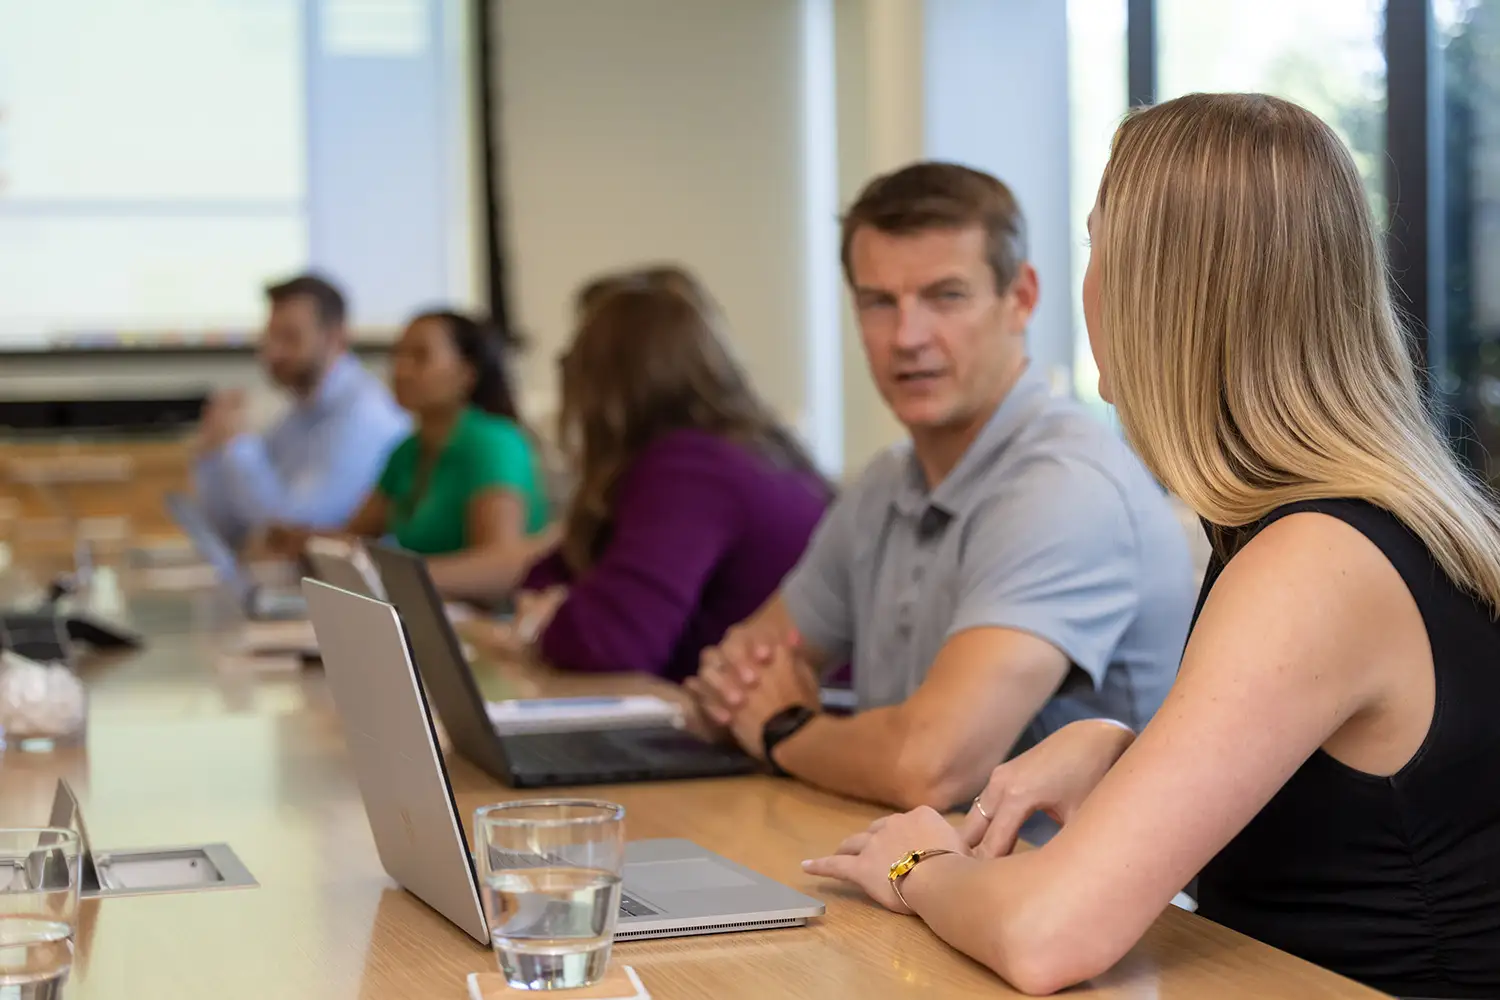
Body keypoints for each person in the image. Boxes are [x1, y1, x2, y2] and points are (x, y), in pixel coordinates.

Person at [800, 94, 1500, 999]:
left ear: (1158, 291)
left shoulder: (1315, 558)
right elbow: (1364, 813)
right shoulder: (1335, 520)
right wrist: (1124, 750)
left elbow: (1052, 936)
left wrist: (919, 865)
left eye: (1098, 247)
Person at [688, 162, 1196, 815]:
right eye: (879, 302)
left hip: (1052, 900)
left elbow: (929, 769)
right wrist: (758, 705)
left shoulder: (1067, 489)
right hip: (907, 876)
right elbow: (739, 677)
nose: (908, 338)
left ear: (1022, 298)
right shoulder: (884, 484)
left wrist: (785, 729)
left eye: (946, 296)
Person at [491, 268, 830, 682]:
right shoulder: (733, 450)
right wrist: (561, 608)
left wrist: (553, 619)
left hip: (767, 729)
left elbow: (609, 645)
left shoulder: (693, 469)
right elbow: (549, 575)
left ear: (605, 380)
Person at [275, 310, 551, 603]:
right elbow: (354, 538)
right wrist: (302, 541)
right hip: (431, 611)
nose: (401, 369)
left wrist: (398, 578)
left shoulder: (494, 443)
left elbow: (498, 568)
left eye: (420, 357)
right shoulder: (407, 451)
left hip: (489, 623)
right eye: (398, 355)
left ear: (466, 373)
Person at [192, 273, 409, 550]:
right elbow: (231, 530)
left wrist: (236, 445)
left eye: (290, 338)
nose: (273, 353)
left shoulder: (364, 416)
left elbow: (294, 530)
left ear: (335, 337)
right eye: (270, 337)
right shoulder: (297, 415)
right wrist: (212, 454)